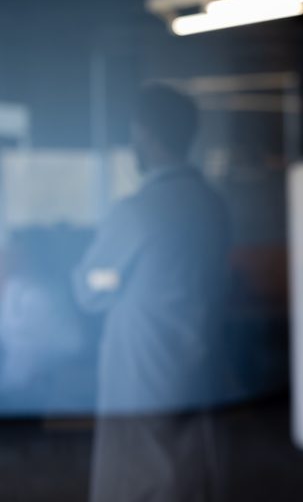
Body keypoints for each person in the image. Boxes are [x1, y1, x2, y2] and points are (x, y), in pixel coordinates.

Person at [73, 85, 230, 502]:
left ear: (144, 133)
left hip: (140, 372)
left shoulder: (138, 210)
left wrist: (112, 284)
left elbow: (90, 287)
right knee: (186, 477)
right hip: (193, 366)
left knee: (136, 481)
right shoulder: (210, 204)